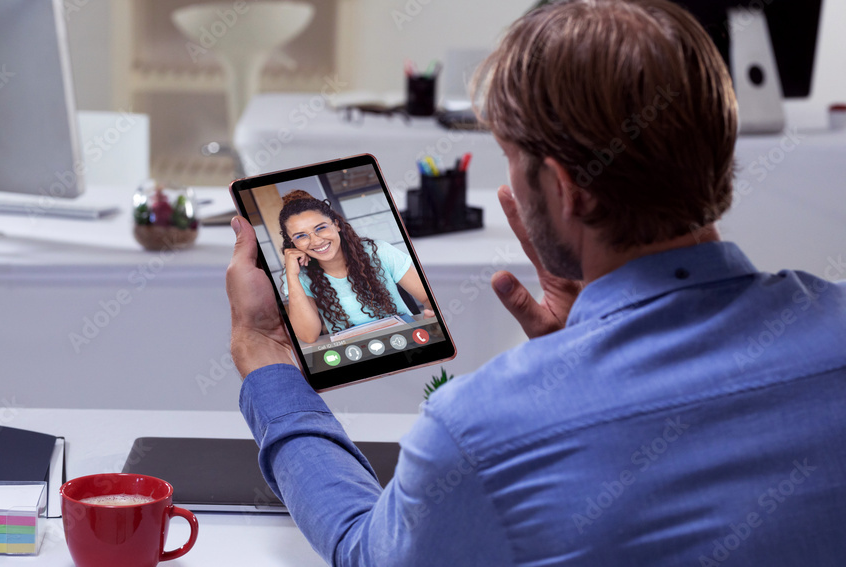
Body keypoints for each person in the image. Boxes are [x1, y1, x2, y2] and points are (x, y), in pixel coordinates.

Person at [225, 0, 846, 565]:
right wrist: (573, 354)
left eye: (513, 160)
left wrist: (268, 361)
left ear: (563, 188)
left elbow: (366, 551)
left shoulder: (477, 435)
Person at [278, 190, 433, 343]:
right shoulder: (299, 275)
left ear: (336, 225)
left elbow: (428, 297)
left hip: (404, 341)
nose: (316, 241)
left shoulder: (378, 251)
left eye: (321, 228)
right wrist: (291, 275)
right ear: (292, 243)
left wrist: (432, 319)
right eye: (300, 236)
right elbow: (308, 335)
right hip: (353, 354)